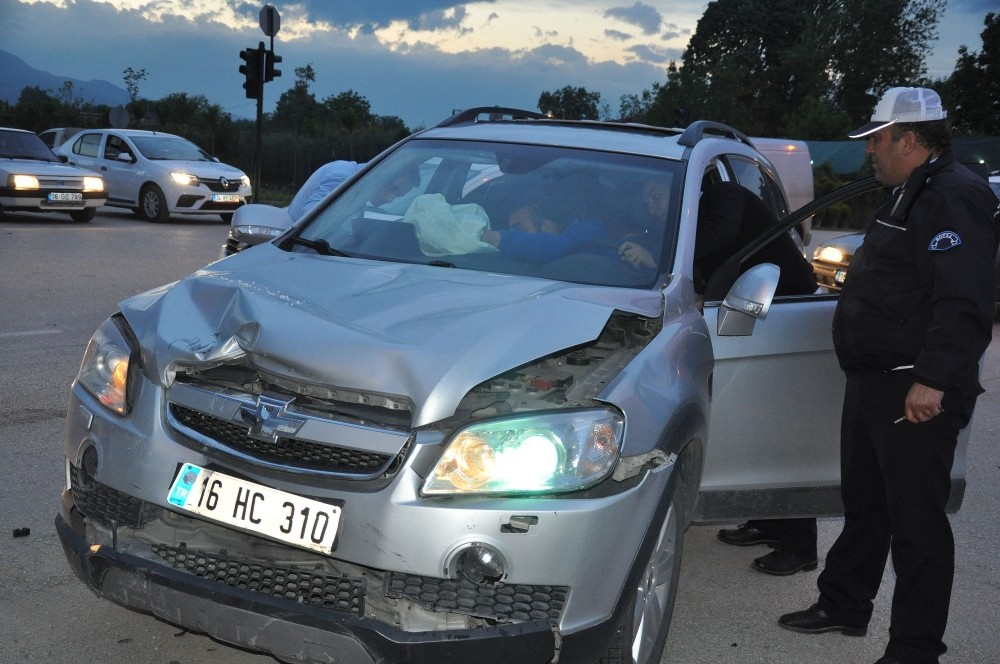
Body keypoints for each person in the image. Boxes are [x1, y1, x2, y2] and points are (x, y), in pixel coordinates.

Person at [778, 87, 1000, 664]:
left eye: (876, 138)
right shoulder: (908, 192)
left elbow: (965, 301)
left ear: (909, 138)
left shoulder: (954, 196)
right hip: (877, 381)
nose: (870, 150)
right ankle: (844, 604)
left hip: (913, 386)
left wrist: (933, 380)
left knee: (916, 526)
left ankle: (914, 647)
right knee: (867, 504)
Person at [480, 202, 607, 263]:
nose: (514, 233)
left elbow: (559, 247)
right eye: (512, 231)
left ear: (546, 226)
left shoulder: (589, 232)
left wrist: (499, 238)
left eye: (519, 230)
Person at [287, 160, 364, 220]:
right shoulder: (341, 175)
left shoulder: (349, 173)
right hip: (300, 236)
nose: (376, 203)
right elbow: (310, 213)